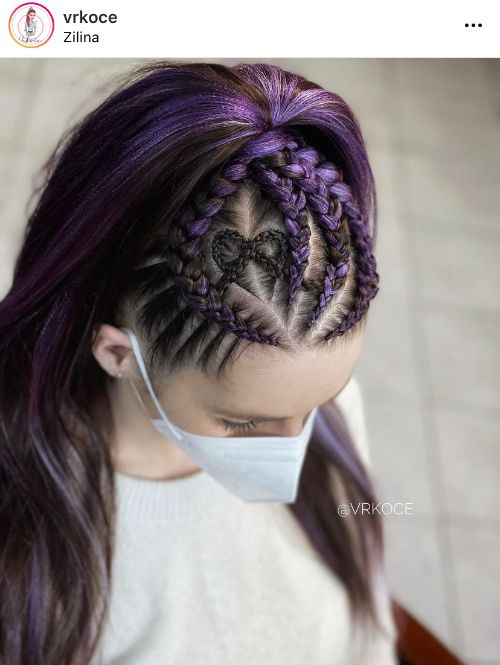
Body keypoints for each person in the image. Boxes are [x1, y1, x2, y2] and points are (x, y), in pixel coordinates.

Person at [0, 61, 398, 664]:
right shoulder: (35, 553)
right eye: (243, 424)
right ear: (117, 354)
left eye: (320, 402)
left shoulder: (326, 411)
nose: (298, 443)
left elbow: (371, 629)